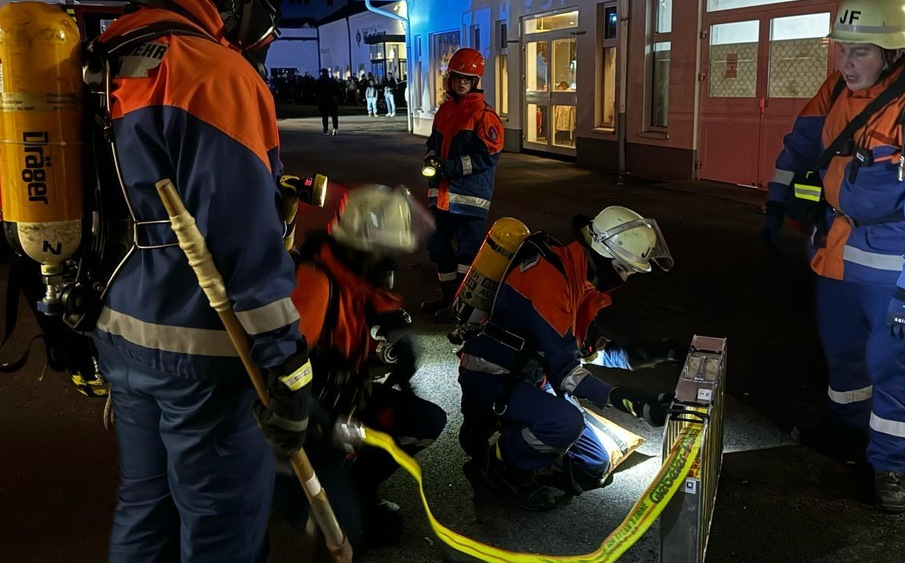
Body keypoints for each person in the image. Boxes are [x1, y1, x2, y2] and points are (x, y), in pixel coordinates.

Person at [91, 0, 310, 560]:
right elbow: (247, 247)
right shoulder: (215, 75)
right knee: (218, 523)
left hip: (119, 331)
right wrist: (289, 371)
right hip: (207, 351)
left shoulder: (105, 54)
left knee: (144, 506)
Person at [761, 0, 905, 514]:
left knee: (893, 365)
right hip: (836, 246)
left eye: (860, 51)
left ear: (893, 52)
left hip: (894, 261)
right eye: (842, 48)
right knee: (844, 356)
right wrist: (774, 201)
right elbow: (803, 144)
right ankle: (847, 433)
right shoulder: (836, 88)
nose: (845, 62)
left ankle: (891, 466)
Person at [457, 206, 676, 511]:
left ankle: (511, 431)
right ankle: (502, 464)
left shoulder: (577, 278)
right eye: (624, 269)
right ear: (604, 256)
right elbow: (568, 373)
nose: (625, 279)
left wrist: (658, 353)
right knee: (564, 423)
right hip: (493, 377)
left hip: (530, 375)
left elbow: (586, 350)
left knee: (594, 464)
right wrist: (629, 400)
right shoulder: (549, 282)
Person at [277, 185, 446, 551]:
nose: (390, 260)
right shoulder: (316, 283)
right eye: (385, 250)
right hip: (308, 420)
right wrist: (322, 418)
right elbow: (277, 375)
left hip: (346, 402)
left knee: (425, 420)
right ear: (362, 245)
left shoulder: (354, 276)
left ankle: (355, 488)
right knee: (344, 535)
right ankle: (293, 492)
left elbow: (376, 310)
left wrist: (396, 340)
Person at [420, 48, 505, 321]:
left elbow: (488, 157)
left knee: (468, 255)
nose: (461, 83)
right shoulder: (445, 110)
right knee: (438, 248)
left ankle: (461, 309)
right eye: (457, 78)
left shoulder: (484, 116)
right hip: (443, 195)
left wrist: (452, 167)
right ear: (451, 78)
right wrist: (432, 157)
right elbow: (432, 143)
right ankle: (448, 300)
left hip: (470, 198)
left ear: (476, 81)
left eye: (467, 79)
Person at [317, 68, 340, 135]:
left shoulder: (318, 81)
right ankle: (335, 129)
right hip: (332, 100)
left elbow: (316, 92)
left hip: (323, 101)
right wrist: (337, 99)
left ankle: (325, 130)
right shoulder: (332, 81)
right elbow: (337, 90)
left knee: (324, 116)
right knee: (334, 116)